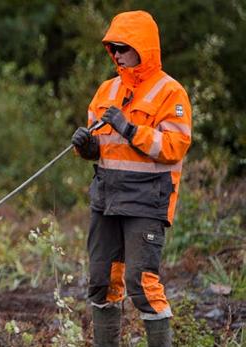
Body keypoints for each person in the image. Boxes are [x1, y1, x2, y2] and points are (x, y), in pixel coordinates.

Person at [70, 10, 192, 347]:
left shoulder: (171, 93)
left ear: (144, 48)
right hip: (106, 199)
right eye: (114, 47)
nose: (118, 54)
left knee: (141, 283)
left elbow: (175, 146)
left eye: (124, 47)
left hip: (146, 201)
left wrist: (130, 128)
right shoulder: (106, 90)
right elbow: (102, 151)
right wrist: (87, 146)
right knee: (101, 281)